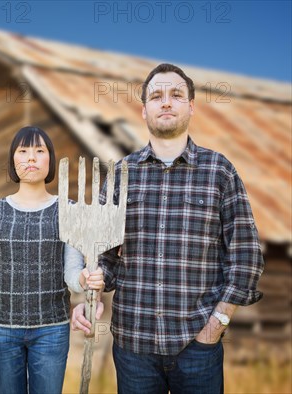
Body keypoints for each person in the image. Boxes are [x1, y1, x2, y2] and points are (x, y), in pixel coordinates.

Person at [71, 63, 264, 394]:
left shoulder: (220, 172)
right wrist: (94, 291)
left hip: (198, 347)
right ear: (144, 110)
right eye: (156, 95)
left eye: (176, 94)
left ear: (191, 106)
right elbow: (103, 257)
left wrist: (217, 324)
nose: (166, 102)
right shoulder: (120, 175)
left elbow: (246, 256)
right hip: (134, 348)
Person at [0, 126, 104, 394]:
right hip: (1, 331)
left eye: (40, 151)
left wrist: (83, 279)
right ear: (13, 160)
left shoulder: (69, 209)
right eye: (23, 151)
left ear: (50, 161)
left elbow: (71, 272)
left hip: (51, 332)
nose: (31, 158)